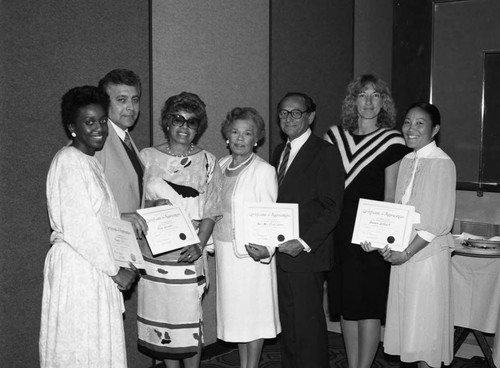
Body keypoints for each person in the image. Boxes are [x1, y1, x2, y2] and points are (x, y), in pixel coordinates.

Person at [39, 86, 138, 367]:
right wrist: (115, 269)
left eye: (103, 120)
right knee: (80, 347)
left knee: (95, 348)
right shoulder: (69, 162)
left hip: (95, 267)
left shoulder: (89, 161)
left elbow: (101, 218)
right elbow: (79, 227)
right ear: (72, 127)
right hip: (79, 270)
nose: (99, 128)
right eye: (89, 122)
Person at [323, 74, 410, 368]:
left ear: (383, 102)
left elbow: (391, 197)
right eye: (362, 95)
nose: (369, 102)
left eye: (375, 95)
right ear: (353, 101)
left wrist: (384, 236)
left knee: (368, 306)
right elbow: (325, 188)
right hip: (339, 231)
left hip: (371, 233)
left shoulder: (392, 140)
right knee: (346, 306)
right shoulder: (333, 137)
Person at [137, 92, 222, 368]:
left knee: (189, 322)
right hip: (155, 254)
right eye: (178, 119)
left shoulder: (208, 161)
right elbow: (135, 206)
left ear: (199, 127)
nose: (184, 127)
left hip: (189, 253)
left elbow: (211, 210)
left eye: (192, 122)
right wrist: (154, 203)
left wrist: (199, 244)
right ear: (166, 122)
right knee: (165, 322)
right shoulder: (146, 157)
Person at [378, 102, 455, 368]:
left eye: (420, 123)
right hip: (403, 256)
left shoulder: (442, 163)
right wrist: (383, 243)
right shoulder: (407, 161)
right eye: (408, 122)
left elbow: (438, 222)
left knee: (425, 333)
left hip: (425, 259)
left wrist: (407, 252)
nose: (411, 129)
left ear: (435, 129)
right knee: (410, 333)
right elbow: (399, 212)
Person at [272, 92, 344, 368]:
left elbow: (331, 207)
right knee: (289, 325)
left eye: (296, 112)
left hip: (307, 254)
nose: (288, 118)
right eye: (283, 112)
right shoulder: (280, 151)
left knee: (309, 328)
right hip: (282, 253)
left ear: (311, 116)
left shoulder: (325, 152)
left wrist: (302, 241)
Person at [213, 107, 281, 368]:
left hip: (251, 256)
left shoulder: (263, 171)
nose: (240, 138)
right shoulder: (219, 165)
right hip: (224, 253)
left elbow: (271, 215)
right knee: (238, 320)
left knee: (253, 318)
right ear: (227, 136)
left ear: (257, 139)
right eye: (235, 132)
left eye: (247, 133)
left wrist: (268, 249)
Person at [96, 69, 147, 237]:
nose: (131, 107)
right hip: (105, 245)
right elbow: (78, 206)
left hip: (126, 247)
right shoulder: (95, 142)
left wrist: (151, 205)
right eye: (121, 100)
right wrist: (119, 218)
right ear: (104, 103)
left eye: (135, 99)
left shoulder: (125, 138)